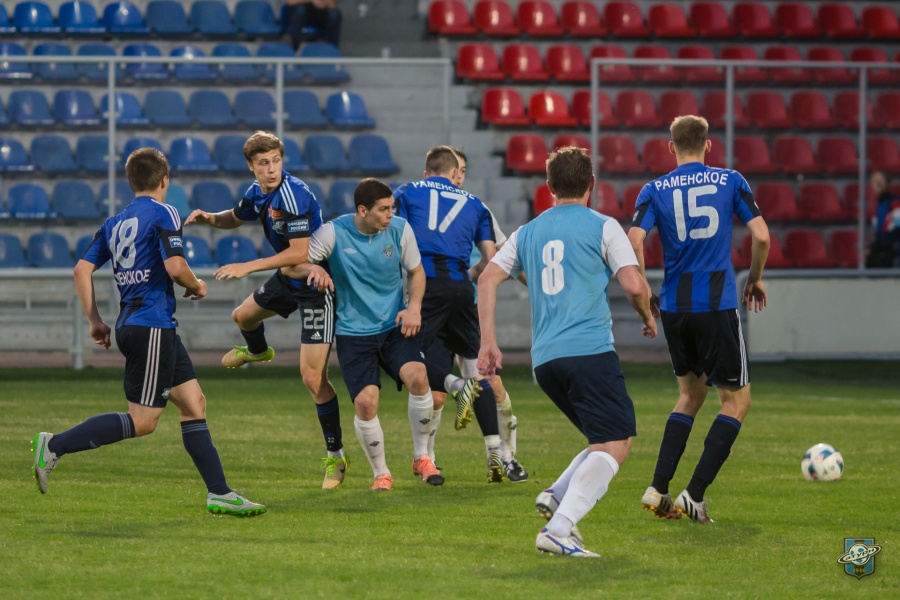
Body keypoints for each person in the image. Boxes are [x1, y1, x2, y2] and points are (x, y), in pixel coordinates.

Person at [32, 148, 265, 516]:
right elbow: (175, 267)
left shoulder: (115, 222)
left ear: (131, 182)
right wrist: (198, 285)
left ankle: (219, 492)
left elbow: (81, 270)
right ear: (164, 180)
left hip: (139, 324)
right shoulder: (164, 211)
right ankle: (54, 445)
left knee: (193, 403)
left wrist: (95, 321)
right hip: (151, 325)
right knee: (143, 421)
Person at [478, 146, 657, 557]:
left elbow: (486, 280)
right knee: (616, 443)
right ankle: (558, 528)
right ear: (592, 184)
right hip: (589, 352)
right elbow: (634, 286)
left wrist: (488, 341)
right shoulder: (604, 226)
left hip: (545, 361)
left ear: (549, 186)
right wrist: (646, 315)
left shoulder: (527, 232)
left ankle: (557, 494)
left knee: (603, 439)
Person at [185, 131, 348, 491]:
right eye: (264, 163)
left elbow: (299, 252)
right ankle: (258, 351)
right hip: (288, 277)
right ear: (251, 166)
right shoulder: (257, 192)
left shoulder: (293, 194)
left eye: (276, 161)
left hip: (315, 284)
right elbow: (236, 216)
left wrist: (247, 266)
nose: (272, 169)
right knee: (242, 316)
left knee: (312, 378)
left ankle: (336, 456)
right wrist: (210, 218)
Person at [628, 115, 770, 524]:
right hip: (716, 305)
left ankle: (658, 488)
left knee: (690, 396)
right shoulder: (730, 180)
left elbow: (635, 238)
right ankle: (694, 494)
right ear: (708, 145)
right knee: (737, 402)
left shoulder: (654, 189)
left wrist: (644, 286)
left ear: (671, 147)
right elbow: (761, 236)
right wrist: (754, 279)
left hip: (676, 307)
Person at [301, 178, 440, 491]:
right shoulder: (333, 233)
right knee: (365, 403)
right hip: (353, 333)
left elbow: (416, 271)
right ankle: (381, 473)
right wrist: (315, 268)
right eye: (383, 209)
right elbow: (296, 262)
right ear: (362, 210)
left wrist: (414, 307)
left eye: (392, 207)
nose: (390, 214)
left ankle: (422, 457)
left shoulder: (400, 229)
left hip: (394, 326)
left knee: (419, 377)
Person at [393, 146, 508, 483]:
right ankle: (495, 452)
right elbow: (491, 258)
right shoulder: (476, 204)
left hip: (425, 287)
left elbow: (394, 235)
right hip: (461, 290)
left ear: (426, 172)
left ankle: (423, 457)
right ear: (455, 172)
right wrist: (467, 277)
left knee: (411, 363)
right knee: (478, 373)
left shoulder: (407, 192)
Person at [422, 147, 528, 482]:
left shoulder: (476, 207)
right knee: (436, 394)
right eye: (457, 169)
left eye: (464, 170)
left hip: (466, 307)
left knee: (490, 384)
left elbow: (503, 255)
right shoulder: (428, 205)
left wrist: (537, 288)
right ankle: (429, 459)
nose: (459, 176)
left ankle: (506, 457)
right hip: (440, 304)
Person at [865, 170, 900, 268]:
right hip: (883, 250)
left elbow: (897, 231)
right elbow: (876, 233)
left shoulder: (896, 203)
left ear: (888, 183)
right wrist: (872, 247)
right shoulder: (878, 206)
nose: (878, 183)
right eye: (875, 181)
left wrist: (876, 246)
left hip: (893, 253)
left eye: (881, 180)